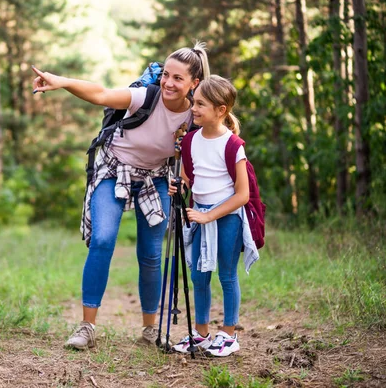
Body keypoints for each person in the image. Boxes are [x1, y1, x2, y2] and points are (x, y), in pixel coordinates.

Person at [32, 42, 210, 350]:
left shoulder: (194, 117)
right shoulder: (146, 96)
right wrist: (61, 82)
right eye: (166, 74)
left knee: (152, 254)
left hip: (155, 178)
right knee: (102, 239)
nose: (168, 83)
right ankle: (87, 327)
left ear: (194, 83)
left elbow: (208, 147)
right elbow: (100, 94)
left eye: (178, 79)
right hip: (114, 169)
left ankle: (150, 330)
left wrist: (182, 183)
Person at [168, 75, 259, 357]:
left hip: (227, 216)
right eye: (193, 103)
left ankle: (229, 335)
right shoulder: (191, 141)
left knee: (227, 275)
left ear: (221, 110)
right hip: (199, 215)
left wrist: (210, 216)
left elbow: (242, 195)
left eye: (200, 104)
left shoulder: (232, 145)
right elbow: (189, 178)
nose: (193, 109)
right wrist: (179, 185)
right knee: (199, 276)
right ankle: (202, 334)